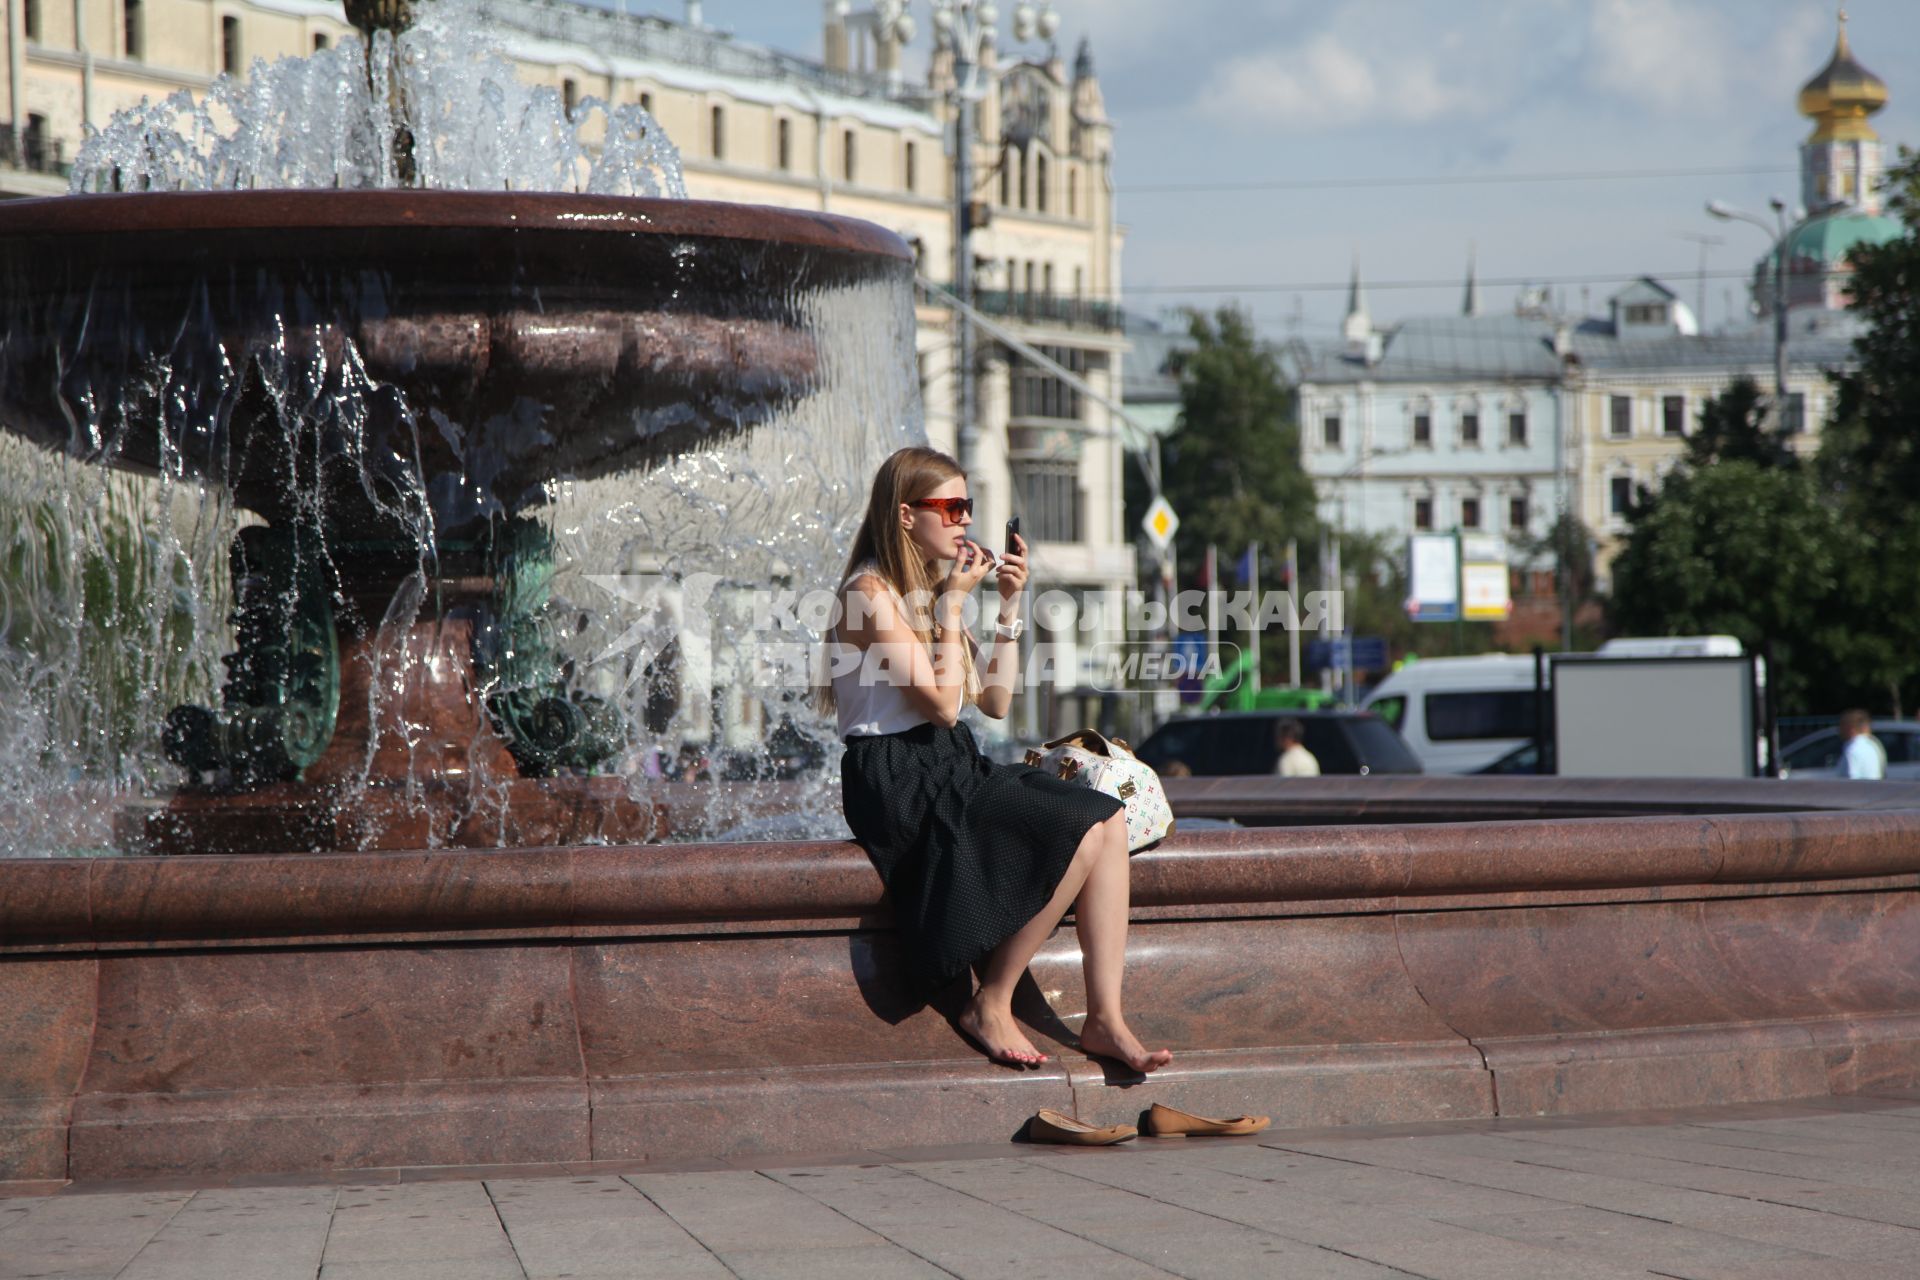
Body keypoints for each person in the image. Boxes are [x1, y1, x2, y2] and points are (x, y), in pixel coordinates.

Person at [825, 446, 1172, 1074]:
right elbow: (940, 705)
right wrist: (955, 604)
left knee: (1108, 817)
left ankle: (1105, 1018)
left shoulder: (927, 590)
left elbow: (995, 698)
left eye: (969, 507)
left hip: (948, 763)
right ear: (907, 516)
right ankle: (991, 1001)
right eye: (951, 507)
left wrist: (1009, 605)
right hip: (898, 776)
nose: (964, 521)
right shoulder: (868, 593)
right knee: (1083, 823)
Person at [1837, 709, 1887, 780]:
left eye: (1841, 726)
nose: (1839, 730)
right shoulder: (1873, 745)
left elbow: (1851, 781)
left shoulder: (1853, 750)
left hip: (1858, 790)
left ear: (1850, 728)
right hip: (1874, 789)